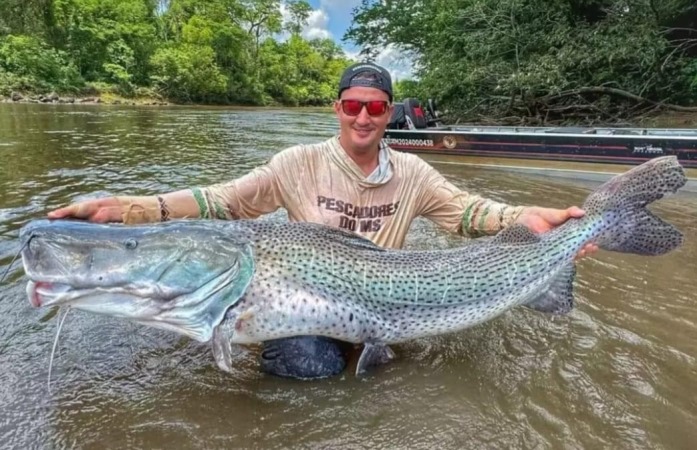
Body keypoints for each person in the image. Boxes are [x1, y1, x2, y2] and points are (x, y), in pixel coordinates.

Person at [49, 62, 596, 379]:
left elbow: (472, 213)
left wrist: (530, 217)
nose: (363, 116)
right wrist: (124, 209)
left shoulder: (415, 173)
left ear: (389, 113)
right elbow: (223, 201)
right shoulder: (296, 163)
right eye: (353, 105)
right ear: (337, 108)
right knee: (305, 363)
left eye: (376, 107)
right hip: (314, 311)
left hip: (390, 297)